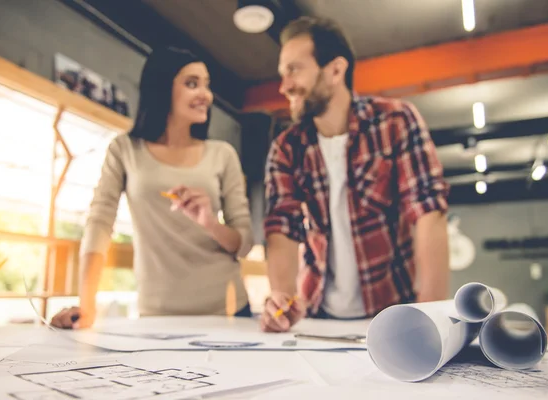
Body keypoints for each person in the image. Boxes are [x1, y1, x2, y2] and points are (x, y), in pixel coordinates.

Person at [260, 16, 450, 332]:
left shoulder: (395, 122)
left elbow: (428, 212)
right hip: (318, 315)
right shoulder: (287, 147)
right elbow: (281, 227)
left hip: (392, 315)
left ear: (335, 70)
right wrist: (282, 299)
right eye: (282, 74)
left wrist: (430, 318)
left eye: (294, 69)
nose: (284, 86)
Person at [51, 47, 254, 329]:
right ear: (162, 87)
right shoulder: (125, 149)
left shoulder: (223, 154)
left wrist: (210, 223)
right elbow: (99, 221)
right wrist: (86, 304)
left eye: (207, 85)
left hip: (228, 310)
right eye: (192, 83)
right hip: (157, 314)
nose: (205, 95)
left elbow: (243, 244)